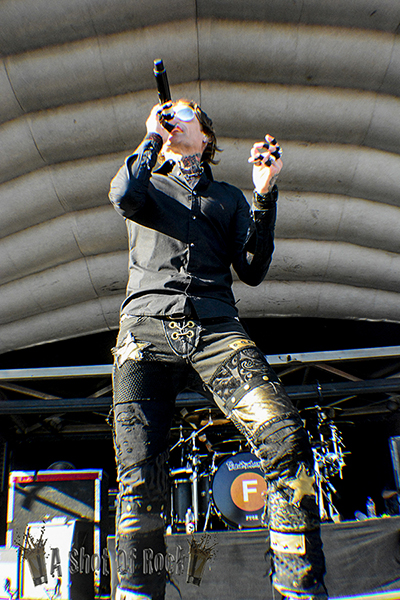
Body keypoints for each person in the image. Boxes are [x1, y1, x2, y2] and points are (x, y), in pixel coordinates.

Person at [109, 98, 327, 600]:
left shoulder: (227, 197)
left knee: (284, 434)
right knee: (139, 474)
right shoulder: (147, 182)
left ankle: (298, 587)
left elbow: (252, 268)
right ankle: (137, 591)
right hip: (145, 332)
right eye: (169, 114)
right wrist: (151, 137)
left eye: (185, 114)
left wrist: (264, 193)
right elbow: (122, 195)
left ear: (206, 136)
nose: (175, 119)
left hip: (216, 330)